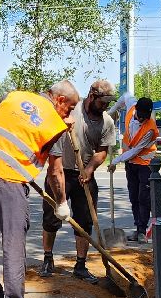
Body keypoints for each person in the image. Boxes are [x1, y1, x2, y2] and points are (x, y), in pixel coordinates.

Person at [0, 81, 77, 298]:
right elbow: (55, 172)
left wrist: (0, 149)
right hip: (8, 181)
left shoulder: (14, 97)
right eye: (69, 108)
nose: (69, 115)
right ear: (59, 100)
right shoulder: (53, 123)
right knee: (13, 245)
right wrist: (61, 203)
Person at [41, 79, 120, 282]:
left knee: (85, 221)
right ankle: (48, 259)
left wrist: (90, 168)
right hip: (59, 172)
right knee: (51, 217)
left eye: (109, 103)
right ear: (92, 96)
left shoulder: (107, 122)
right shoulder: (72, 109)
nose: (106, 106)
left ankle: (80, 265)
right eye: (103, 102)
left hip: (84, 176)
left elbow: (102, 151)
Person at [111, 95, 158, 241]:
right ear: (136, 109)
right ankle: (138, 227)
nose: (143, 119)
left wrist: (115, 160)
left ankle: (142, 230)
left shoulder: (150, 129)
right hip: (130, 165)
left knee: (143, 197)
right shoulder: (132, 107)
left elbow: (135, 151)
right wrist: (112, 111)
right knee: (133, 196)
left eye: (146, 117)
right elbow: (125, 96)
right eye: (141, 116)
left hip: (145, 164)